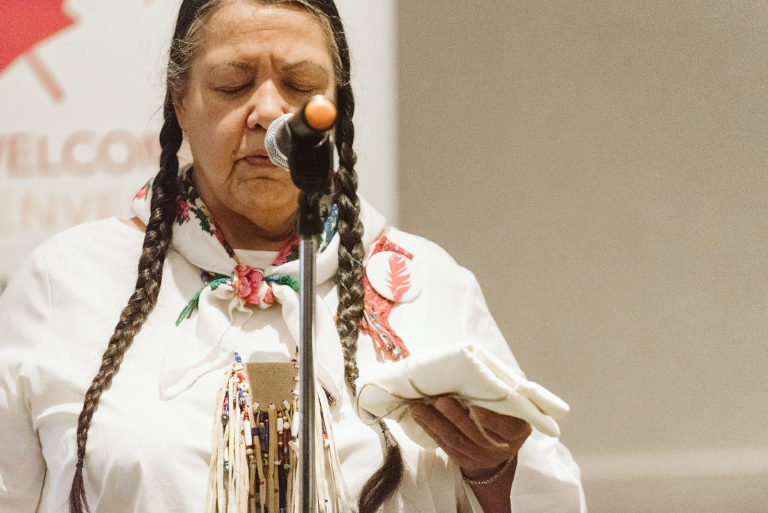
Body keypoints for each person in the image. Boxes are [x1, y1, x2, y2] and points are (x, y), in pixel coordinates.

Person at [0, 1, 586, 512]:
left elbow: (548, 498)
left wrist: (492, 470)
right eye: (232, 84)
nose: (267, 111)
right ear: (179, 102)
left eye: (301, 85)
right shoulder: (66, 282)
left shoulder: (427, 285)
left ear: (336, 110)